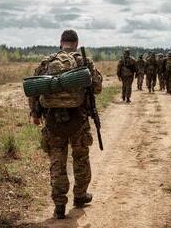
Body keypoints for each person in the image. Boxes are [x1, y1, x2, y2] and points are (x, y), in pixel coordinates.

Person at [28, 30, 103, 219]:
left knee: (57, 162)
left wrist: (36, 113)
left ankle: (59, 205)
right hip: (78, 119)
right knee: (81, 159)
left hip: (53, 121)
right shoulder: (84, 61)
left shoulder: (46, 62)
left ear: (61, 43)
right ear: (76, 43)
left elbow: (34, 89)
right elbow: (97, 88)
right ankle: (80, 196)